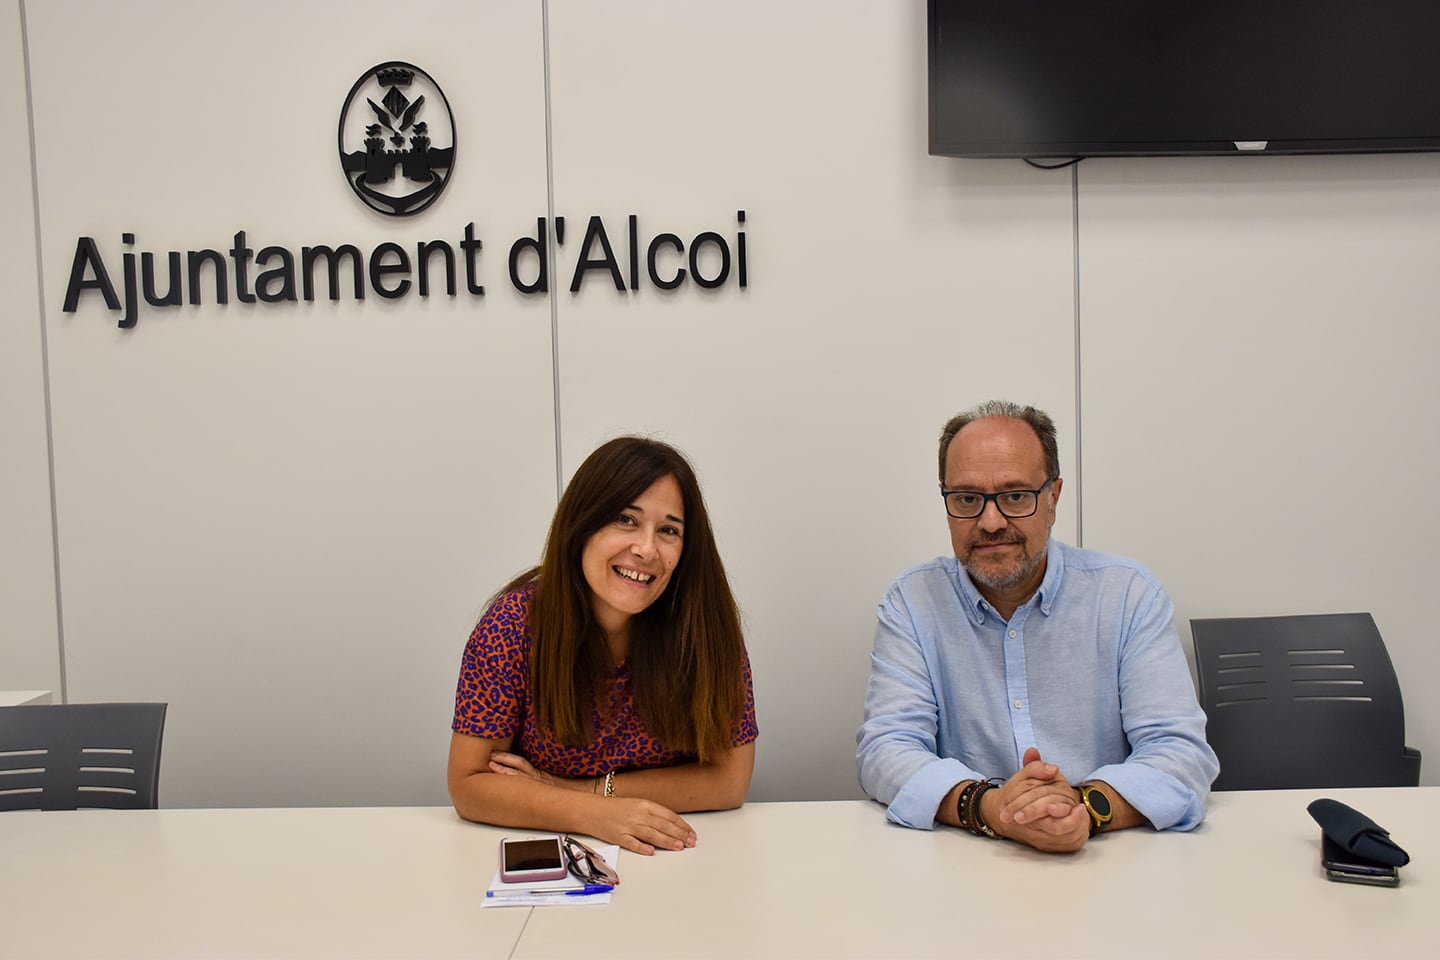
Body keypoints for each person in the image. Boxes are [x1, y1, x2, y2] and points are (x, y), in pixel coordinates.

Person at [856, 401, 1218, 853]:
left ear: (1053, 496)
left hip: (1116, 867)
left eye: (1015, 496)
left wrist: (1084, 809)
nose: (991, 522)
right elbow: (886, 749)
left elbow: (1179, 751)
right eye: (967, 499)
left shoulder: (1127, 595)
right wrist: (990, 809)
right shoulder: (912, 602)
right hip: (962, 867)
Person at [447, 436, 757, 856]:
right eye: (626, 520)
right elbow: (469, 785)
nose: (646, 549)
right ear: (582, 524)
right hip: (559, 859)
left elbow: (729, 782)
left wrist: (587, 792)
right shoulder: (512, 625)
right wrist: (595, 816)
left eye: (668, 530)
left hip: (683, 856)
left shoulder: (706, 626)